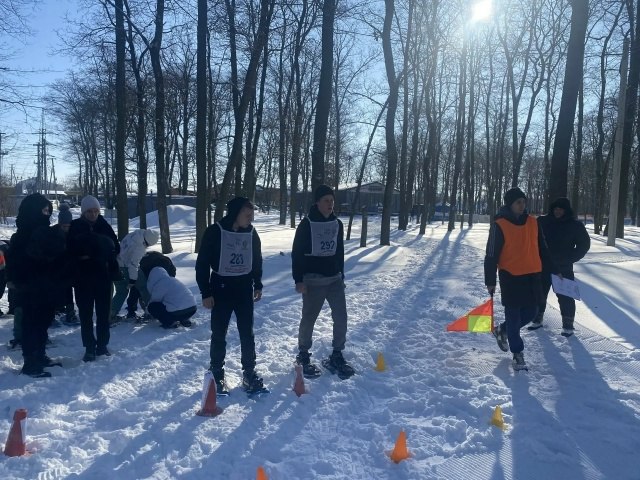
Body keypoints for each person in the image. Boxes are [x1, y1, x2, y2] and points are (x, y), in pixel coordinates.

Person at [195, 196, 264, 395]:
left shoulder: (251, 232)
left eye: (252, 215)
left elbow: (256, 259)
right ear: (235, 214)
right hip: (221, 288)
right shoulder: (215, 231)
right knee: (219, 333)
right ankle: (216, 371)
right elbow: (202, 263)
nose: (250, 219)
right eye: (247, 215)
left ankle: (249, 372)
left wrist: (258, 283)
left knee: (247, 332)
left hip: (244, 288)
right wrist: (206, 292)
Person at [484, 187, 556, 371]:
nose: (522, 205)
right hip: (510, 276)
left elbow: (543, 247)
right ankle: (517, 354)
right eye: (518, 202)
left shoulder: (533, 222)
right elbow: (491, 254)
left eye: (524, 201)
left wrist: (554, 269)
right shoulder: (499, 224)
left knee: (532, 312)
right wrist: (490, 280)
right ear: (510, 204)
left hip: (533, 275)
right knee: (514, 315)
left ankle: (502, 330)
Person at [292, 184, 354, 379]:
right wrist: (299, 279)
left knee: (341, 317)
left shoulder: (337, 224)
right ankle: (303, 354)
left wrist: (341, 274)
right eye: (326, 200)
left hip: (334, 279)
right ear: (317, 202)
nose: (330, 204)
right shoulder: (307, 224)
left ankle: (337, 354)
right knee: (309, 318)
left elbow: (339, 251)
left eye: (332, 201)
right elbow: (297, 253)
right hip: (313, 280)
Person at [5, 193, 70, 377]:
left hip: (46, 286)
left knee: (43, 322)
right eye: (43, 210)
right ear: (32, 211)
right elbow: (20, 262)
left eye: (48, 211)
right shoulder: (23, 235)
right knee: (31, 323)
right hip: (31, 288)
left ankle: (40, 355)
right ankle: (30, 363)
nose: (47, 214)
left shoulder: (44, 232)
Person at [67, 195, 120, 362]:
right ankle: (89, 347)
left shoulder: (104, 225)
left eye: (96, 211)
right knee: (85, 314)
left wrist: (98, 252)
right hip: (83, 278)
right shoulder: (76, 226)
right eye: (89, 211)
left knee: (103, 314)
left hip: (103, 277)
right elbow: (70, 250)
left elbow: (116, 247)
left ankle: (102, 345)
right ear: (83, 212)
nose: (93, 214)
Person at [529, 197, 590, 336]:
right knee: (538, 294)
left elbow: (584, 245)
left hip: (563, 268)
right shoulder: (542, 222)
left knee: (566, 297)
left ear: (566, 210)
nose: (558, 211)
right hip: (542, 265)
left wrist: (569, 259)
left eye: (561, 209)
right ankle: (537, 319)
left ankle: (568, 325)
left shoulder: (575, 225)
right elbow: (532, 239)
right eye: (556, 209)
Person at [110, 228, 159, 323]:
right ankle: (151, 310)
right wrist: (133, 280)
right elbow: (133, 265)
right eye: (148, 245)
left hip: (116, 265)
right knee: (144, 287)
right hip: (126, 268)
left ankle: (110, 314)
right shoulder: (139, 247)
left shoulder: (134, 234)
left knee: (121, 292)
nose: (147, 246)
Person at [52, 203, 79, 325]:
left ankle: (70, 313)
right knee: (54, 291)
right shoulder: (53, 233)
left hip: (69, 267)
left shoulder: (74, 232)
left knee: (68, 291)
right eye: (64, 226)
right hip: (56, 268)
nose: (66, 228)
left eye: (68, 226)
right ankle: (52, 313)